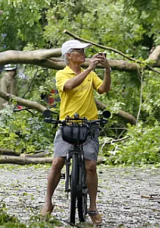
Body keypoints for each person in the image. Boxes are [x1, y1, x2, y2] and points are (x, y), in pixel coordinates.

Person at [41, 40, 111, 225]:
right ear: (68, 55)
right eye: (78, 51)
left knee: (91, 166)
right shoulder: (61, 74)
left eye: (83, 50)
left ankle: (93, 207)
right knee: (57, 162)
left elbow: (103, 89)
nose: (82, 53)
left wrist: (107, 69)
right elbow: (69, 86)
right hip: (67, 123)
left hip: (89, 125)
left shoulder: (91, 74)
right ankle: (48, 202)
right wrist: (90, 69)